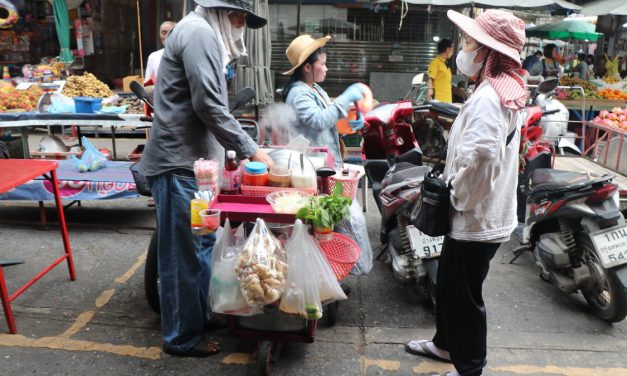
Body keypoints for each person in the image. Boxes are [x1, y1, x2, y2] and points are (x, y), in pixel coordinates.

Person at [138, 0, 272, 358]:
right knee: (183, 254)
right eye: (238, 16)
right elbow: (210, 105)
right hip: (178, 163)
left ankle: (198, 318)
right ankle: (181, 338)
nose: (241, 24)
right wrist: (250, 149)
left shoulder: (201, 32)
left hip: (193, 164)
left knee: (199, 250)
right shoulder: (199, 33)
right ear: (218, 11)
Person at [405, 9, 527, 376]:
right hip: (477, 214)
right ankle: (444, 344)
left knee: (463, 296)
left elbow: (481, 160)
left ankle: (470, 367)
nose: (463, 48)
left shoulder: (491, 98)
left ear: (490, 53)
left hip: (475, 218)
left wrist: (455, 198)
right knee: (450, 283)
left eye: (471, 42)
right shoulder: (492, 90)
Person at [281, 34, 366, 166]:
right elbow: (318, 120)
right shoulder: (299, 93)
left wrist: (351, 118)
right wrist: (346, 97)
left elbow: (327, 116)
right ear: (308, 68)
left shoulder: (315, 88)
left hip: (323, 164)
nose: (326, 69)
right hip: (311, 167)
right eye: (322, 64)